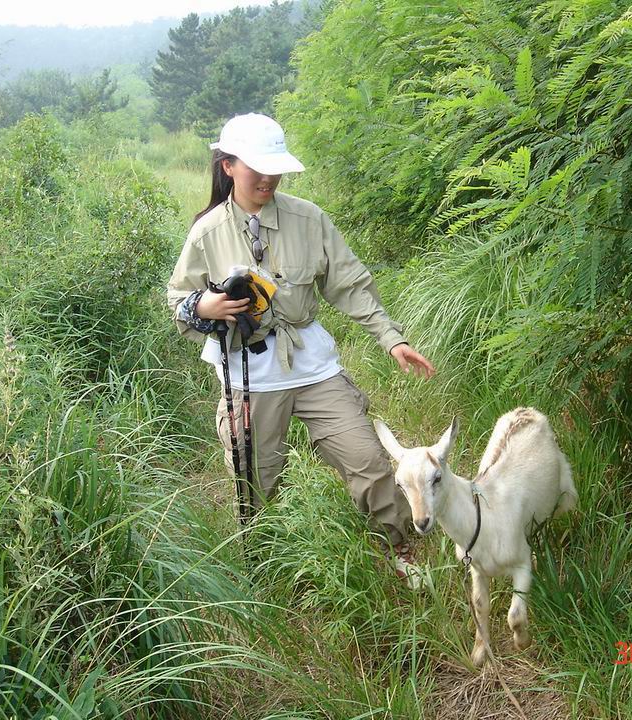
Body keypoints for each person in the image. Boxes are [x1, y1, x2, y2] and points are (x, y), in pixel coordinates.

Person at [166, 113, 436, 583]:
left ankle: (400, 549)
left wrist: (391, 339)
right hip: (248, 371)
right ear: (228, 166)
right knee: (255, 476)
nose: (268, 179)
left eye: (274, 168)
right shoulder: (207, 232)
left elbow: (349, 284)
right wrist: (204, 306)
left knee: (369, 461)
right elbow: (179, 301)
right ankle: (266, 565)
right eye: (256, 168)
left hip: (312, 364)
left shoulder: (308, 219)